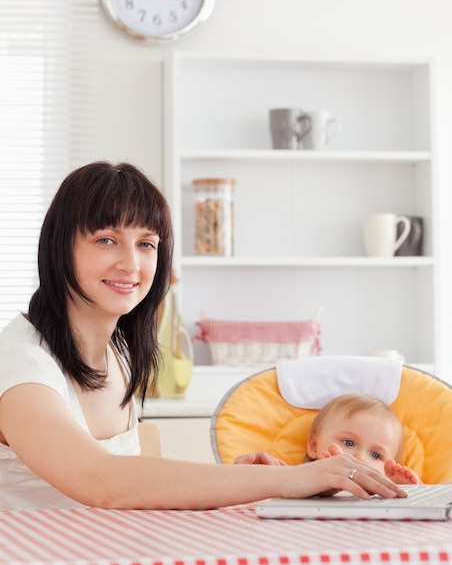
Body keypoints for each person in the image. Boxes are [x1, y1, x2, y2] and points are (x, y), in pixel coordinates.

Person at [0, 161, 407, 510]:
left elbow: (134, 483)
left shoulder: (119, 353)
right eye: (106, 240)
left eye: (146, 244)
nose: (131, 263)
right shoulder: (22, 363)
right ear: (58, 246)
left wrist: (233, 481)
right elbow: (101, 480)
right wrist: (289, 480)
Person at [306, 394, 423, 485]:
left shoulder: (383, 492)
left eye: (376, 455)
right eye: (349, 443)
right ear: (314, 446)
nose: (360, 458)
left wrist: (407, 490)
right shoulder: (300, 480)